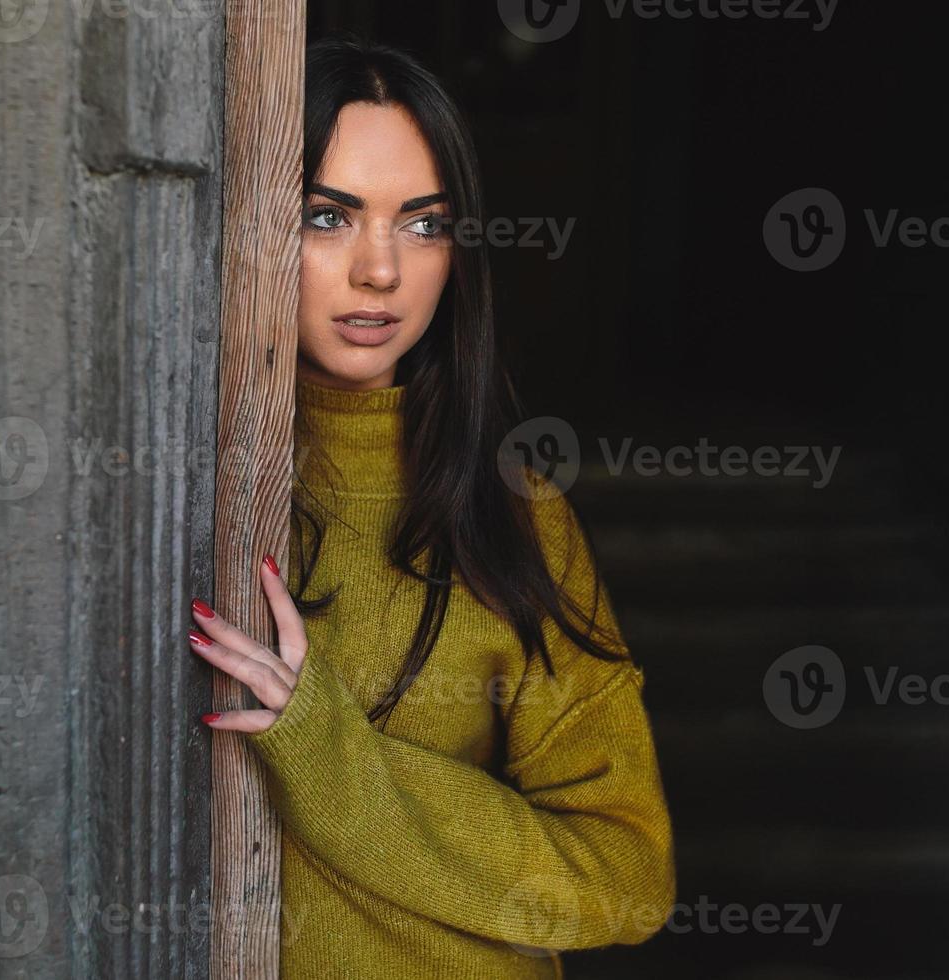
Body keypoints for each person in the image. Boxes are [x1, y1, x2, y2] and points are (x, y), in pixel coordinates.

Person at [189, 33, 676, 979]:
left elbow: (627, 878)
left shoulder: (512, 514)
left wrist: (328, 755)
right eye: (325, 217)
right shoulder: (167, 488)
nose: (381, 271)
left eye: (422, 223)